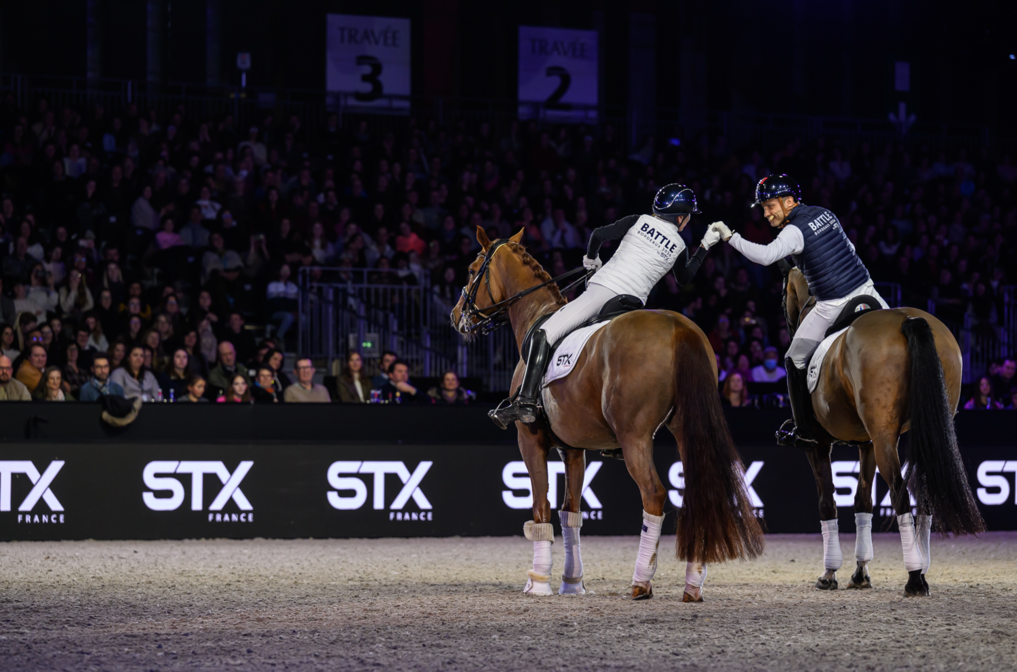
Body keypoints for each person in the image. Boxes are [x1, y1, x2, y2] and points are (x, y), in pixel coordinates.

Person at [491, 184, 716, 427]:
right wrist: (703, 247)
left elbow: (597, 234)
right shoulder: (681, 246)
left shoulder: (637, 220)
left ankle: (525, 401)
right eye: (688, 217)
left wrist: (592, 260)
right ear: (680, 217)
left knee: (542, 334)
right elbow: (683, 279)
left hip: (602, 292)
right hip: (632, 305)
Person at [708, 175, 889, 448]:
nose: (766, 214)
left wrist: (729, 236)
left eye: (769, 206)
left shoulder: (793, 230)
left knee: (794, 358)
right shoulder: (826, 213)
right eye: (764, 208)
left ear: (789, 201)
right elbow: (849, 249)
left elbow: (766, 256)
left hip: (833, 304)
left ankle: (804, 428)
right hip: (868, 290)